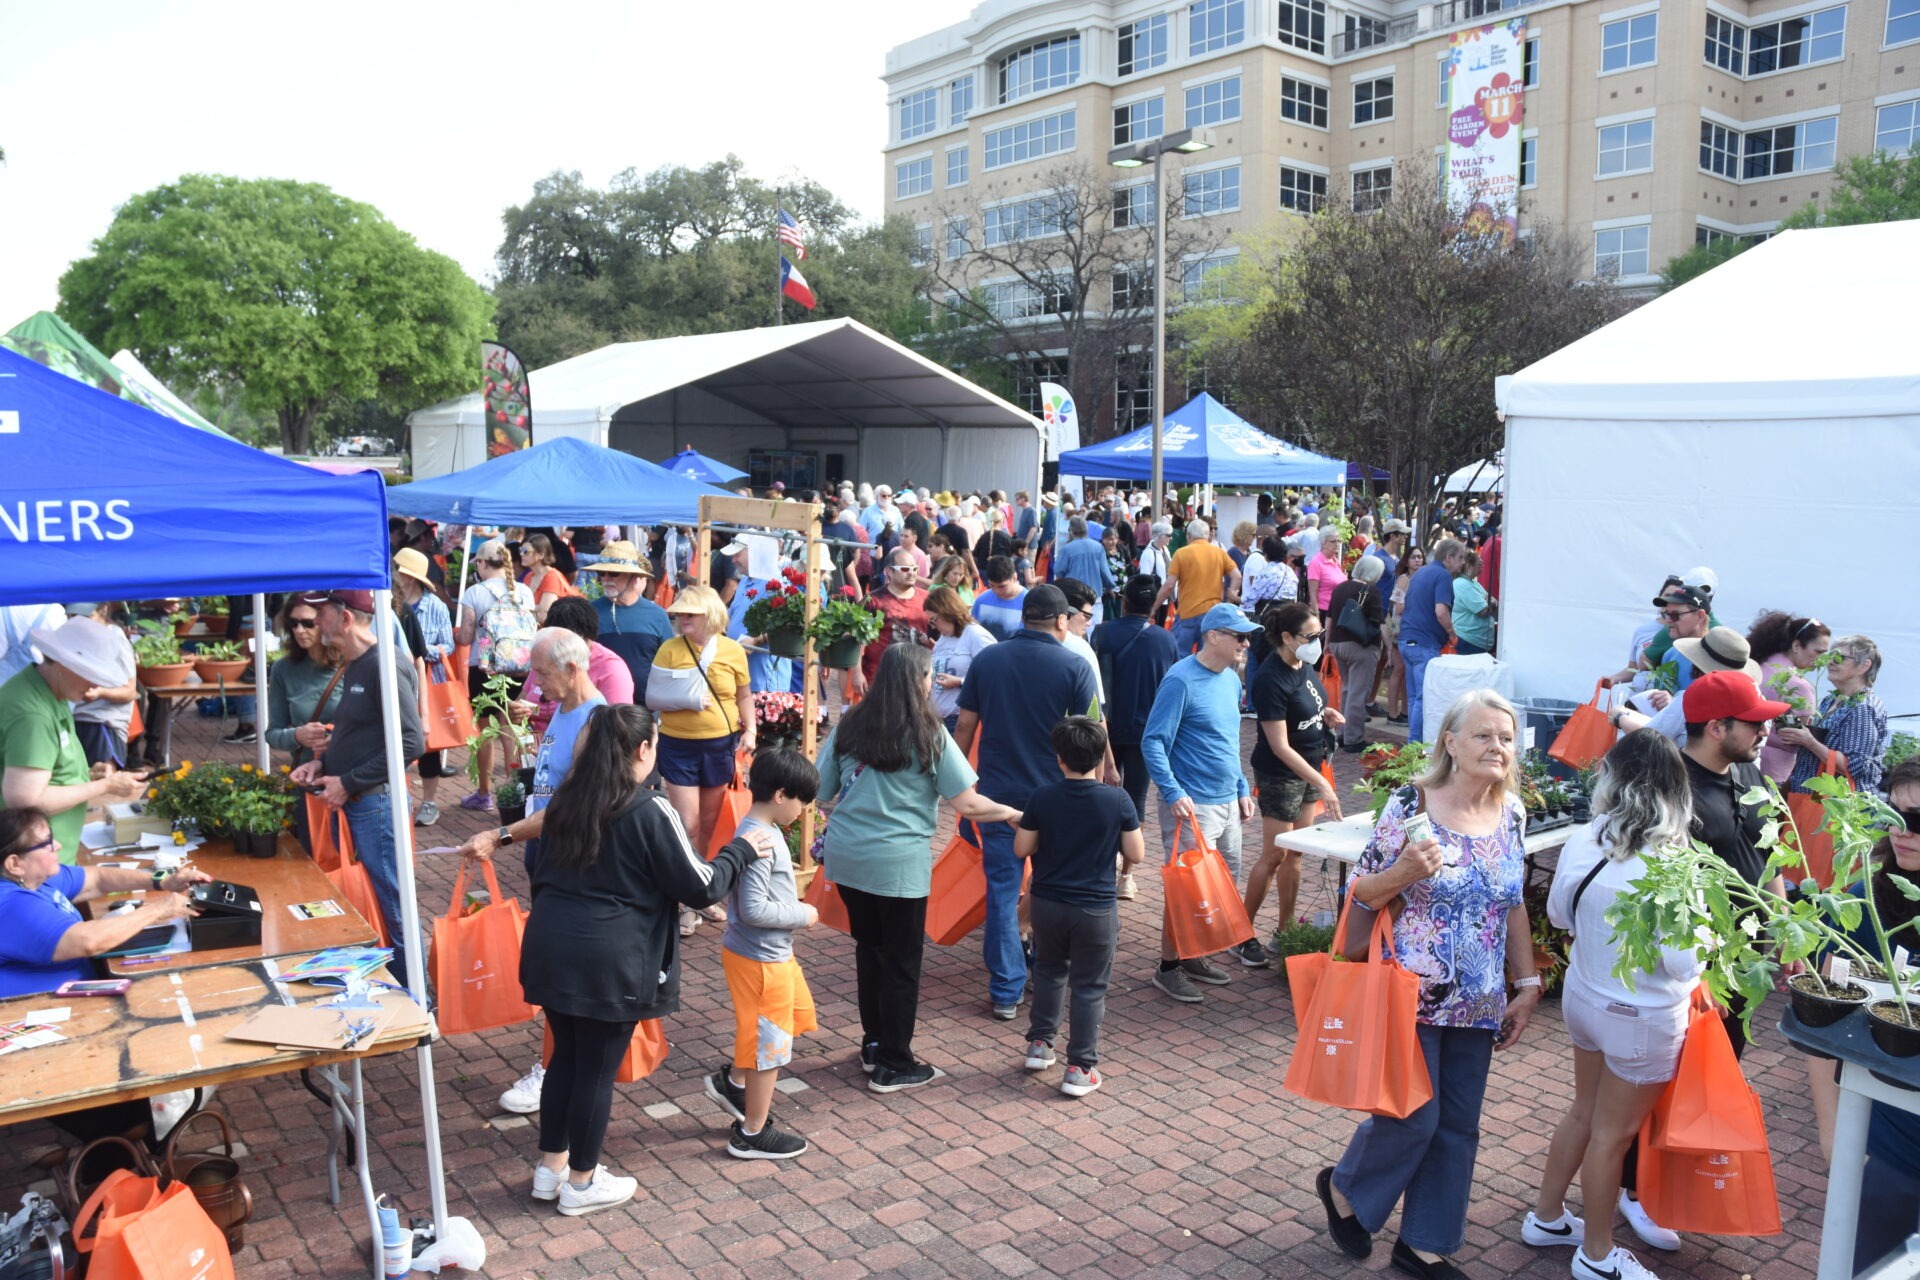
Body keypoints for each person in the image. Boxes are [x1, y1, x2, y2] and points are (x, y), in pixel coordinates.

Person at [516, 704, 775, 1214]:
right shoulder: (650, 808)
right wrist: (741, 850)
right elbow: (701, 885)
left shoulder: (567, 801)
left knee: (565, 1058)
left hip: (550, 944)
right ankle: (582, 1183)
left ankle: (551, 1168)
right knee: (594, 1070)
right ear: (642, 750)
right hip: (607, 959)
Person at [1318, 689, 1540, 1280]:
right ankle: (1346, 1188)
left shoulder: (1512, 813)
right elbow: (1360, 892)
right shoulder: (1412, 804)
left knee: (1458, 1126)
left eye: (1506, 738)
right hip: (1410, 995)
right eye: (1483, 735)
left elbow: (1512, 903)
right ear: (1451, 742)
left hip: (1480, 1000)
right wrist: (1404, 871)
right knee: (1414, 1117)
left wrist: (1527, 983)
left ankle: (1424, 1244)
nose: (1497, 747)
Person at [1527, 731, 1703, 1280]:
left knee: (1583, 1112)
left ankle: (1547, 1217)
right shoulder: (1675, 862)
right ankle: (1598, 1256)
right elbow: (1684, 962)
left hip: (1584, 998)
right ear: (1677, 790)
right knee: (1612, 1135)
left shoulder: (1586, 836)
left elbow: (1559, 915)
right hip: (1642, 1018)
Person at [822, 644, 1022, 1086]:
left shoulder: (851, 724)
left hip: (848, 857)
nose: (932, 682)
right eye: (929, 675)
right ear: (918, 679)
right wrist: (1011, 812)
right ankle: (895, 1062)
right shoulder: (928, 732)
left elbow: (821, 788)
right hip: (898, 865)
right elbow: (968, 803)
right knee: (901, 962)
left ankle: (874, 1044)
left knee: (870, 951)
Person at [955, 585, 1105, 1021]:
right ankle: (1045, 971)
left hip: (997, 797)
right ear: (1061, 620)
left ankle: (1006, 989)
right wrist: (1094, 793)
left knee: (1002, 892)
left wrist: (957, 783)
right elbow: (1091, 736)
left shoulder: (988, 660)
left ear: (1025, 618)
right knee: (1051, 888)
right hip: (1058, 798)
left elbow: (964, 726)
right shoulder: (1075, 666)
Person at [289, 590, 425, 983]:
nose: (315, 621)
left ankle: (418, 997)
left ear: (345, 618)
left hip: (374, 805)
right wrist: (321, 763)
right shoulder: (358, 664)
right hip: (362, 802)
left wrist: (348, 781)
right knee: (379, 901)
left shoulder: (384, 665)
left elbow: (411, 742)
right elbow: (366, 735)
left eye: (321, 613)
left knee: (393, 905)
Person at [1014, 717, 1144, 1099]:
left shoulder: (1042, 797)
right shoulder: (1117, 800)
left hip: (1048, 904)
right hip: (1096, 909)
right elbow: (1136, 852)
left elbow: (1022, 848)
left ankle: (1040, 1045)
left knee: (1049, 971)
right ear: (1101, 758)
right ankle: (1080, 1067)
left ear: (1060, 758)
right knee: (1089, 987)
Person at [703, 749, 821, 1159]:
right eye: (801, 801)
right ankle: (751, 1132)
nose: (803, 811)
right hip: (761, 959)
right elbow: (753, 910)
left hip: (765, 955)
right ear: (781, 794)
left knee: (773, 1028)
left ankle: (734, 1083)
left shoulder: (756, 827)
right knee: (768, 1047)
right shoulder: (763, 840)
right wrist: (803, 913)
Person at [1141, 604, 1261, 1001]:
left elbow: (1228, 740)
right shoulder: (1180, 680)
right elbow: (1153, 741)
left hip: (1227, 801)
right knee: (1187, 889)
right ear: (1213, 636)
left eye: (1247, 637)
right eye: (1239, 636)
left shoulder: (1231, 681)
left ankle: (1191, 955)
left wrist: (1241, 786)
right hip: (1193, 805)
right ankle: (1168, 967)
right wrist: (1173, 792)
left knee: (1216, 886)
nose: (1246, 643)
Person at [0, 804, 209, 998]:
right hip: (41, 1006)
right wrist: (158, 910)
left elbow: (97, 879)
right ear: (15, 864)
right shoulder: (11, 906)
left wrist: (162, 882)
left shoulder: (34, 878)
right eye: (46, 844)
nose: (58, 845)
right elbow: (88, 941)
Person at [1242, 602, 1345, 964]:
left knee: (1296, 852)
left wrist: (1323, 714)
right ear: (1287, 637)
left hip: (1310, 765)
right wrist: (1323, 783)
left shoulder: (1304, 665)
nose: (1317, 642)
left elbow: (1305, 706)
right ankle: (1242, 933)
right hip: (1281, 774)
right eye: (1310, 636)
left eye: (1320, 634)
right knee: (1275, 854)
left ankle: (1284, 930)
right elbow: (1279, 746)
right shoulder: (1270, 678)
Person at [1849, 759, 1920, 1270]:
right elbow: (1824, 1028)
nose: (1902, 832)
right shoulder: (1864, 904)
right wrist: (1837, 1142)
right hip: (1895, 1149)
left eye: (1917, 820)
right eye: (1892, 814)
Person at [0, 618, 149, 861]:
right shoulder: (33, 714)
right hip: (33, 863)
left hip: (46, 857)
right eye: (90, 674)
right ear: (63, 664)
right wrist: (105, 786)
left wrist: (86, 774)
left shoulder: (48, 691)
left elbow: (45, 768)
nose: (95, 685)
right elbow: (24, 799)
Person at [649, 585, 755, 912]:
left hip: (719, 745)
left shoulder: (732, 651)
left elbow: (744, 695)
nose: (683, 618)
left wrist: (751, 730)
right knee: (688, 824)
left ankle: (701, 890)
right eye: (680, 613)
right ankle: (684, 896)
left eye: (690, 613)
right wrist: (688, 698)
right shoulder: (669, 649)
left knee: (708, 824)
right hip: (678, 745)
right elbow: (654, 697)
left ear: (710, 615)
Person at [1091, 576, 1182, 856]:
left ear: (1124, 602)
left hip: (1106, 728)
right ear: (1153, 605)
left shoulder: (1102, 632)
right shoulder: (1165, 639)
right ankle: (1128, 869)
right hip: (1147, 732)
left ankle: (1104, 856)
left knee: (1100, 795)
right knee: (1136, 800)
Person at [457, 538, 540, 811]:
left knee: (485, 733)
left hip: (484, 668)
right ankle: (518, 793)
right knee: (513, 730)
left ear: (482, 563)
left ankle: (484, 794)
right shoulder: (524, 591)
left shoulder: (474, 593)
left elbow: (466, 636)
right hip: (521, 667)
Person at [1779, 634, 1889, 796]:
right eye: (1830, 656)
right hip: (1809, 799)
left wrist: (1809, 741)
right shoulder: (1830, 700)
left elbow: (1854, 767)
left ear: (1864, 666)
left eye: (1840, 657)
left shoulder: (1863, 708)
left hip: (1836, 806)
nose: (1831, 662)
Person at [393, 548, 455, 827]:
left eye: (397, 569)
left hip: (427, 678)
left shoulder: (435, 606)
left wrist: (420, 649)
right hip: (395, 678)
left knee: (428, 744)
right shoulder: (388, 602)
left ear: (409, 576)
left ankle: (428, 802)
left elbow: (448, 645)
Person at [1745, 611, 1830, 783]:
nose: (1822, 660)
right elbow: (1797, 734)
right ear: (1797, 645)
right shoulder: (1798, 685)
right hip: (1774, 768)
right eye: (1818, 652)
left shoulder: (1757, 666)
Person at [1398, 537, 1467, 742]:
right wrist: (1451, 632)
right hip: (1423, 642)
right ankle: (1416, 744)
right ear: (1449, 557)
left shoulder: (1421, 572)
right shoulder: (1443, 575)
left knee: (1414, 697)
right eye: (1460, 557)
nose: (1463, 562)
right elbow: (1441, 611)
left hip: (1407, 640)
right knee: (1423, 697)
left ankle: (1413, 743)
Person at [585, 541, 675, 695]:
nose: (606, 579)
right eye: (602, 573)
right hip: (602, 703)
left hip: (647, 704)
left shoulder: (657, 615)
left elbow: (670, 661)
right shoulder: (589, 613)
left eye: (614, 573)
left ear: (634, 577)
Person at [62, 604, 138, 769]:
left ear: (104, 609)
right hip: (74, 721)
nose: (79, 623)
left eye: (86, 617)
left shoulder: (115, 639)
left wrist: (100, 693)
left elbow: (130, 691)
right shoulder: (75, 637)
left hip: (101, 724)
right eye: (73, 616)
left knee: (101, 779)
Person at [1152, 520, 1240, 655]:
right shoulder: (1219, 553)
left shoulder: (1181, 554)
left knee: (1179, 656)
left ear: (1189, 536)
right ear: (1207, 535)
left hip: (1187, 613)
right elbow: (1237, 576)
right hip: (1212, 615)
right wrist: (1230, 597)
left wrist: (1153, 607)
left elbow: (1169, 586)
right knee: (1207, 658)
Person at [1327, 557, 1387, 751]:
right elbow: (1380, 623)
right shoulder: (1371, 591)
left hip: (1338, 642)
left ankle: (1342, 732)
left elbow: (1329, 618)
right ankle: (1354, 738)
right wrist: (1389, 648)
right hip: (1361, 645)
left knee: (1347, 689)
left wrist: (1327, 643)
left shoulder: (1339, 588)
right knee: (1358, 693)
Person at [855, 549, 931, 697]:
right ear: (889, 571)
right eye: (905, 569)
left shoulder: (928, 599)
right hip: (880, 678)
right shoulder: (872, 601)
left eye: (914, 568)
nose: (911, 573)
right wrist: (857, 672)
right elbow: (857, 639)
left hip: (917, 677)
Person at [927, 586, 994, 734]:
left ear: (947, 612)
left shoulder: (975, 635)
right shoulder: (943, 638)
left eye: (934, 620)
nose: (933, 626)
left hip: (960, 721)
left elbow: (993, 675)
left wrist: (960, 682)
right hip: (936, 721)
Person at [1383, 546, 1425, 724]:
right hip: (1400, 630)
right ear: (1407, 561)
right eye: (1414, 557)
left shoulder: (1421, 578)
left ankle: (1406, 712)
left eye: (1420, 557)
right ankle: (1392, 713)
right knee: (1399, 669)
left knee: (1408, 671)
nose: (1418, 560)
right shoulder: (1404, 579)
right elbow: (1398, 607)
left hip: (1415, 630)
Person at [1055, 579, 1106, 707]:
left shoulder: (1015, 643)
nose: (1089, 623)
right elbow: (1094, 708)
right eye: (1086, 616)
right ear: (1067, 613)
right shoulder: (1081, 649)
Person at [520, 532, 576, 623]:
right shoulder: (528, 576)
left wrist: (522, 610)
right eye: (520, 550)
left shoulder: (552, 577)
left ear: (541, 554)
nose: (521, 554)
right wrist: (536, 607)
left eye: (526, 551)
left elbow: (544, 616)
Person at [1450, 550, 1496, 656]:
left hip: (1475, 642)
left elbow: (1494, 602)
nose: (1482, 567)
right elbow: (1483, 611)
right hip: (1468, 642)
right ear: (1469, 566)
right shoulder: (1462, 584)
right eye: (1479, 564)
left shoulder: (1473, 583)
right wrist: (1490, 603)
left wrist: (1490, 603)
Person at [969, 557, 1026, 642]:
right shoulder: (981, 600)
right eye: (991, 585)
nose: (996, 591)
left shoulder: (1028, 601)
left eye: (1002, 586)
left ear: (1014, 578)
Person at [1306, 529, 1348, 625]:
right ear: (1323, 543)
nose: (1337, 544)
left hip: (1337, 610)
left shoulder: (1335, 560)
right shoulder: (1316, 562)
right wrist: (1316, 617)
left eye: (1339, 541)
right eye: (1333, 541)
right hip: (1324, 611)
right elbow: (1312, 593)